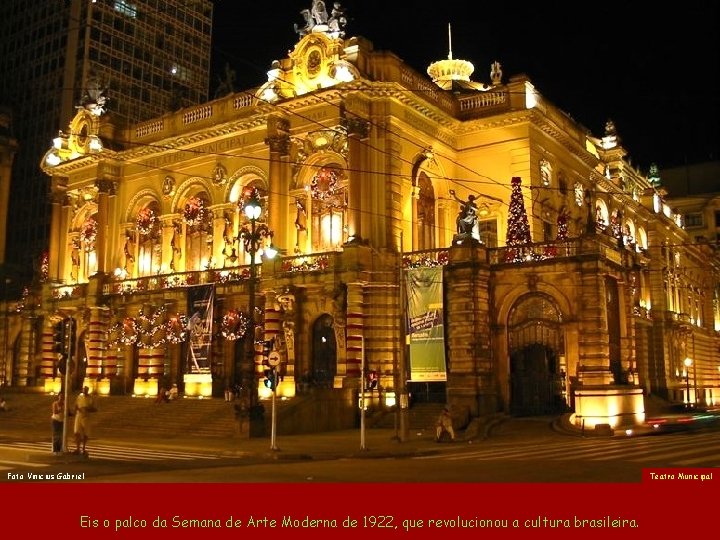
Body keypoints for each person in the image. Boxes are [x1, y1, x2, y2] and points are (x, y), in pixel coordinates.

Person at [73, 386, 94, 455]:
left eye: (86, 390)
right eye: (83, 390)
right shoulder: (79, 397)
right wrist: (78, 409)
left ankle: (84, 448)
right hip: (79, 415)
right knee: (76, 432)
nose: (84, 391)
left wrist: (86, 409)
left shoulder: (90, 398)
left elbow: (92, 407)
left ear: (88, 391)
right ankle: (78, 448)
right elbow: (76, 405)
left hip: (86, 416)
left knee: (85, 433)